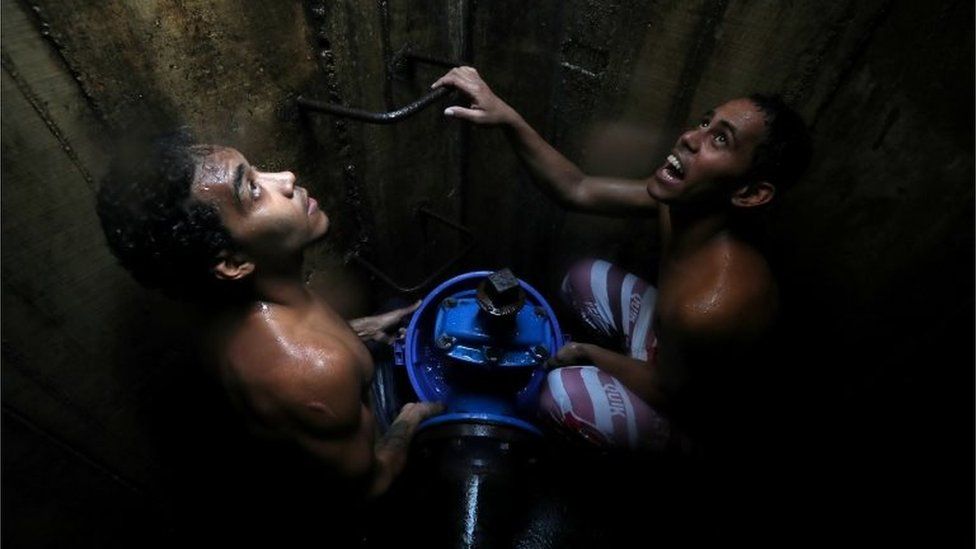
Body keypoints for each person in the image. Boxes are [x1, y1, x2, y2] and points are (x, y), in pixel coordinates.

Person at [432, 67, 811, 457]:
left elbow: (674, 395)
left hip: (697, 416)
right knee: (581, 277)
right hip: (672, 357)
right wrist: (506, 116)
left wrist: (588, 354)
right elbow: (576, 188)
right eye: (704, 122)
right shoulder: (680, 205)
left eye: (719, 139)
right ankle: (623, 371)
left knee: (558, 395)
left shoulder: (709, 306)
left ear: (749, 193)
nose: (689, 138)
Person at [95, 132, 443, 506]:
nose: (287, 178)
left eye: (259, 171)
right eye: (254, 191)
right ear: (232, 263)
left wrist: (367, 327)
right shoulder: (312, 373)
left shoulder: (229, 301)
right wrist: (411, 418)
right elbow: (371, 484)